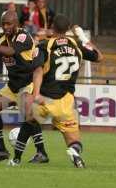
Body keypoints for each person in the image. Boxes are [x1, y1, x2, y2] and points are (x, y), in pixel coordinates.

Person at [8, 14, 103, 167]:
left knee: (29, 122)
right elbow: (99, 57)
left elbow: (38, 70)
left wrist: (36, 93)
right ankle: (75, 153)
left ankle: (16, 159)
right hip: (66, 101)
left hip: (46, 98)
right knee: (74, 140)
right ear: (68, 28)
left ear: (52, 27)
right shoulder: (76, 44)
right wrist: (83, 38)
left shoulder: (45, 45)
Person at [0, 10, 48, 163]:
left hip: (28, 83)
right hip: (13, 86)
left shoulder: (23, 36)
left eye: (9, 24)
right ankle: (1, 150)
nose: (6, 27)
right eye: (3, 24)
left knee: (28, 114)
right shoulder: (0, 38)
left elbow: (10, 51)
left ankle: (41, 152)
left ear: (17, 24)